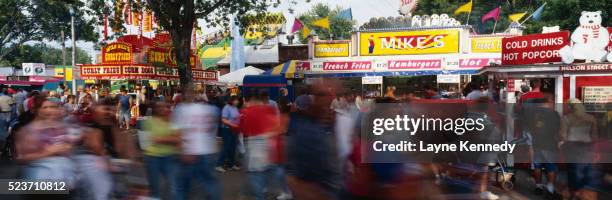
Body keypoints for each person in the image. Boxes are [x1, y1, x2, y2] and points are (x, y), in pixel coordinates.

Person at [286, 81, 341, 199]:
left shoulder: (332, 124)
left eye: (331, 94)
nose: (328, 98)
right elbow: (294, 179)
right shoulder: (306, 131)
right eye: (322, 94)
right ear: (314, 97)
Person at [14, 97, 78, 198]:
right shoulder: (28, 130)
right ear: (38, 110)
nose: (49, 110)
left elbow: (70, 149)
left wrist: (68, 148)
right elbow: (21, 158)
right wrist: (48, 152)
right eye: (45, 107)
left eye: (53, 107)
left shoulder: (62, 127)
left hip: (64, 178)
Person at [172, 92, 221, 200]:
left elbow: (178, 134)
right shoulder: (212, 110)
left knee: (181, 186)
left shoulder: (181, 110)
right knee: (209, 183)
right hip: (208, 152)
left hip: (190, 152)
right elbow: (214, 131)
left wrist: (183, 150)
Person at [239, 94, 280, 200]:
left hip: (254, 145)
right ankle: (268, 189)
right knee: (269, 169)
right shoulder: (270, 109)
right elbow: (277, 125)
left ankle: (259, 194)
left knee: (255, 173)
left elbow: (243, 129)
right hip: (269, 143)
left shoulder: (247, 111)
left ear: (253, 100)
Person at [560, 99, 600, 199]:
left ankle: (574, 196)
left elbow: (563, 136)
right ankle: (583, 195)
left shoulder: (566, 118)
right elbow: (595, 137)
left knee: (572, 173)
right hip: (587, 148)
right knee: (586, 173)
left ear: (570, 107)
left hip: (572, 149)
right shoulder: (591, 118)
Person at [142, 100, 181, 199]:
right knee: (155, 188)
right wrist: (169, 139)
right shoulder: (148, 121)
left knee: (174, 186)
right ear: (154, 109)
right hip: (151, 157)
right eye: (159, 107)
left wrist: (159, 139)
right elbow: (146, 142)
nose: (162, 109)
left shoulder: (172, 121)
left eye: (164, 107)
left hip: (169, 156)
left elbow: (177, 140)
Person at [526, 94, 561, 197]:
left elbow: (530, 127)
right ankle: (550, 190)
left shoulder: (533, 113)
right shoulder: (554, 114)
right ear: (550, 101)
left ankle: (538, 187)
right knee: (551, 167)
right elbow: (557, 129)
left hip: (536, 143)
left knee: (537, 166)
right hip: (550, 145)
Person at [216, 96, 241, 172]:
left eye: (237, 100)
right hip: (227, 130)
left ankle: (231, 164)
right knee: (226, 147)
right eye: (236, 100)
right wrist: (232, 124)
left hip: (234, 130)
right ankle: (218, 164)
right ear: (232, 100)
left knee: (232, 148)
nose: (237, 102)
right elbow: (223, 119)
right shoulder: (227, 107)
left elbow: (236, 117)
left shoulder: (235, 108)